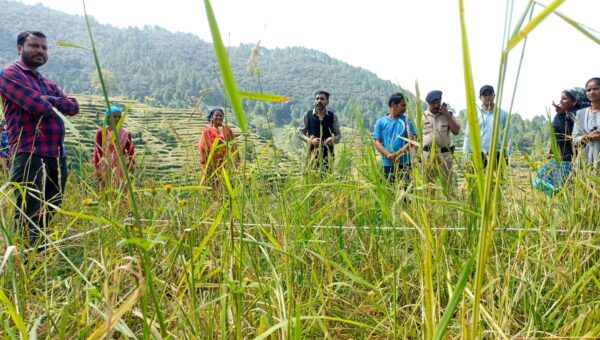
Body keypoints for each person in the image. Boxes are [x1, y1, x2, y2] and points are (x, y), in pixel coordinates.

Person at [0, 31, 80, 248]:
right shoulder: (9, 74)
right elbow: (37, 105)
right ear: (19, 48)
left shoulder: (47, 83)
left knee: (51, 207)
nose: (40, 51)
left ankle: (39, 256)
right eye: (34, 46)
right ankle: (24, 264)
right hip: (29, 154)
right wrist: (55, 103)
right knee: (29, 211)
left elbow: (74, 106)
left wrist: (51, 100)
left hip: (56, 154)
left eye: (44, 48)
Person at [462, 85, 511, 169]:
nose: (487, 97)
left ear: (494, 96)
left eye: (490, 94)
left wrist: (507, 157)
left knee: (498, 182)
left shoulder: (503, 115)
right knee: (476, 181)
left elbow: (507, 137)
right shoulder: (474, 115)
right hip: (478, 154)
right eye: (485, 95)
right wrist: (466, 155)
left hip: (497, 155)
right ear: (480, 98)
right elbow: (468, 136)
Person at [373, 93, 417, 185]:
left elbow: (413, 140)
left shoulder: (407, 121)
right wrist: (388, 155)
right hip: (387, 163)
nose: (405, 108)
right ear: (393, 105)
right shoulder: (380, 122)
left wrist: (398, 154)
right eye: (403, 105)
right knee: (390, 192)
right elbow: (377, 142)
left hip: (405, 164)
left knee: (406, 194)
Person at [422, 90, 460, 185]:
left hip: (445, 155)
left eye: (438, 102)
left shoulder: (448, 114)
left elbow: (456, 131)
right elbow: (414, 136)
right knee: (429, 185)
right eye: (433, 103)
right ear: (428, 103)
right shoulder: (422, 116)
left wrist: (446, 114)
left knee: (447, 184)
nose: (436, 105)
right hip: (428, 154)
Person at [93, 105, 135, 189]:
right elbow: (97, 151)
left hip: (121, 166)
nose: (117, 119)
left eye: (119, 117)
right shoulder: (101, 132)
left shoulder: (125, 133)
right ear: (108, 118)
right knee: (106, 190)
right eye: (114, 116)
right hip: (106, 166)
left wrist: (131, 164)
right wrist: (97, 168)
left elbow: (130, 150)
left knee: (122, 190)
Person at [299, 90, 342, 171]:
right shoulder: (307, 115)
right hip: (312, 155)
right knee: (312, 179)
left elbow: (338, 135)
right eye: (317, 98)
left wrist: (333, 139)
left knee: (327, 179)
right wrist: (310, 140)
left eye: (322, 99)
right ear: (314, 101)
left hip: (328, 155)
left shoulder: (333, 116)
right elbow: (301, 133)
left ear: (327, 102)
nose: (319, 101)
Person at [198, 107, 237, 176]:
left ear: (223, 117)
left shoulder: (227, 130)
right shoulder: (207, 131)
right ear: (212, 117)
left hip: (226, 164)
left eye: (221, 116)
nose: (219, 117)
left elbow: (234, 146)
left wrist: (235, 161)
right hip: (211, 164)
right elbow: (202, 147)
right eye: (216, 115)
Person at [572, 77, 600, 170]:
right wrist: (587, 137)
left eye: (596, 89)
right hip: (585, 163)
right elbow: (574, 139)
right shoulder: (580, 113)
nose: (592, 92)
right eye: (589, 90)